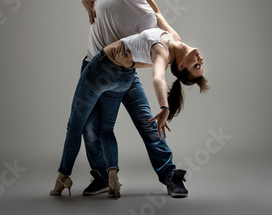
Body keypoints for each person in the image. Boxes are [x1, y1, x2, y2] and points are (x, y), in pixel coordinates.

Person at [51, 0, 191, 198]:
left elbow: (159, 51)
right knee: (89, 128)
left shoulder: (146, 16)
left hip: (124, 74)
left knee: (149, 125)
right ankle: (103, 175)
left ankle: (170, 175)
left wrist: (131, 63)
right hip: (89, 66)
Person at [50, 27, 209, 198]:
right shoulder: (174, 38)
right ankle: (109, 178)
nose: (200, 59)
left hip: (107, 68)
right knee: (104, 128)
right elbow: (156, 15)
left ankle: (63, 177)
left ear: (181, 65)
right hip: (122, 72)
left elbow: (158, 78)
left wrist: (164, 107)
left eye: (196, 65)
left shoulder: (164, 53)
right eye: (200, 65)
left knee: (76, 126)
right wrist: (131, 63)